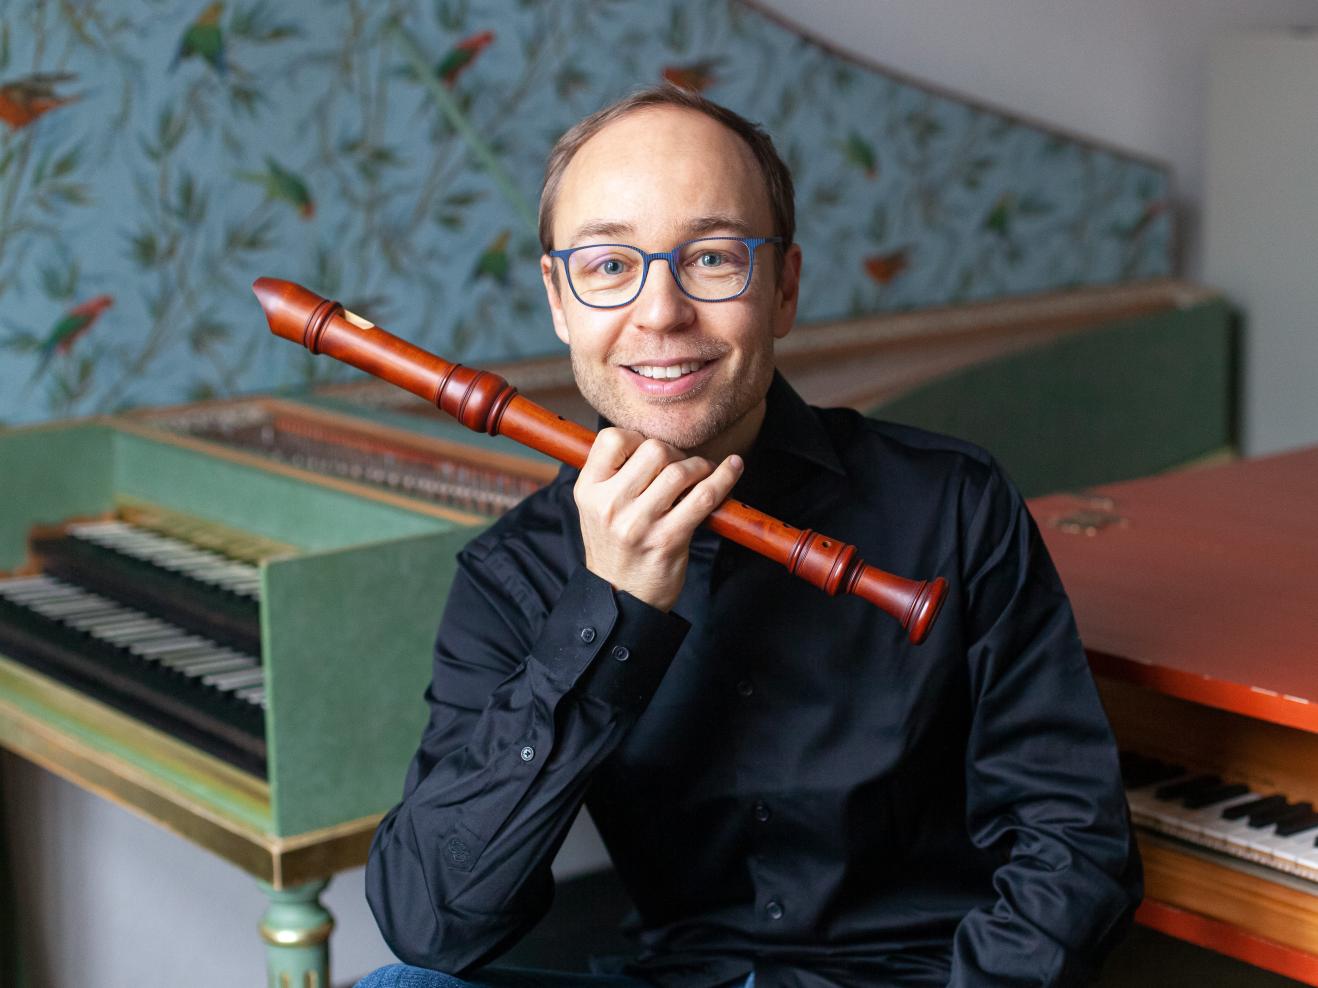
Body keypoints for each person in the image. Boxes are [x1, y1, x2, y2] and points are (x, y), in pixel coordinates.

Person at [356, 85, 1141, 988]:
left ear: (784, 289)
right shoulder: (515, 573)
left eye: (714, 257)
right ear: (560, 301)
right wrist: (605, 612)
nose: (660, 314)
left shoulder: (952, 505)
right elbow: (430, 920)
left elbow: (1073, 844)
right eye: (610, 266)